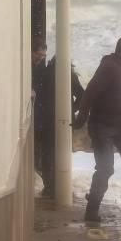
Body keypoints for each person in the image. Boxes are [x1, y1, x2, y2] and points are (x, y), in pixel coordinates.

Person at [73, 36, 121, 222]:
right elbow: (90, 92)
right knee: (106, 168)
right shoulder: (109, 67)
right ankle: (91, 211)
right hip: (102, 126)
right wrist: (82, 116)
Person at [38, 55, 85, 197]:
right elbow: (82, 95)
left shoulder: (45, 74)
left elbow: (38, 97)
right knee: (63, 152)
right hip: (64, 120)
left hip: (46, 120)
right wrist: (72, 109)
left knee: (47, 153)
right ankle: (61, 185)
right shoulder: (70, 75)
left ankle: (49, 187)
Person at [31, 41, 47, 179]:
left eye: (43, 56)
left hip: (38, 110)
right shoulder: (26, 66)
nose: (41, 58)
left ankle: (38, 170)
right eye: (39, 55)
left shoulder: (41, 68)